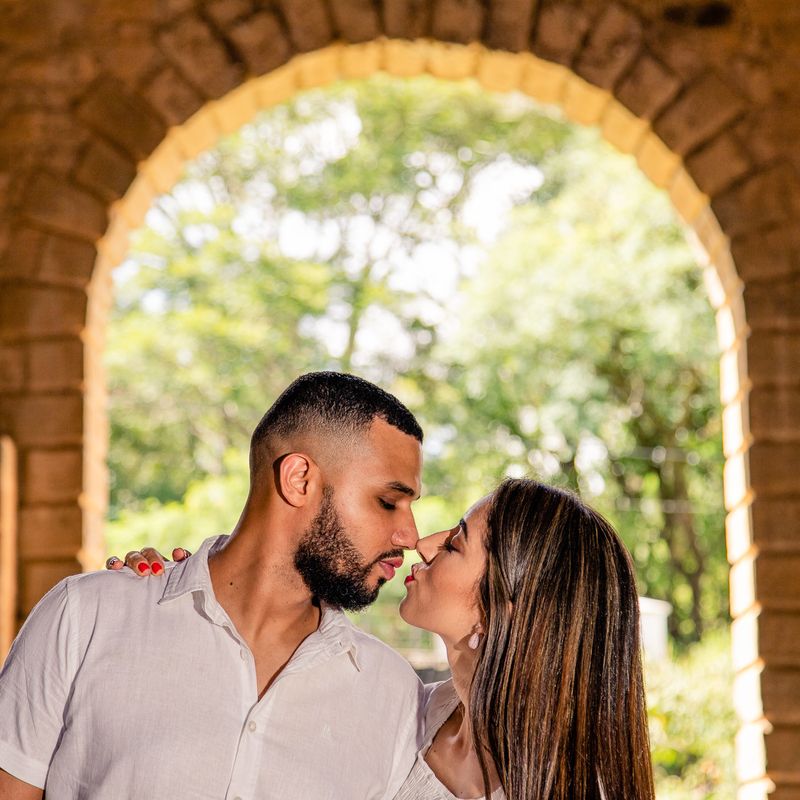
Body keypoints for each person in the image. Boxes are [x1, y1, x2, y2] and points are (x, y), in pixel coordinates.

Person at [0, 372, 427, 799]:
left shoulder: (393, 695)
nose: (410, 535)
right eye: (388, 502)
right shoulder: (84, 617)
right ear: (300, 480)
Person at [115, 478, 657, 799]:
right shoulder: (401, 711)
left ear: (499, 612)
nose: (423, 543)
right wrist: (191, 595)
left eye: (457, 542)